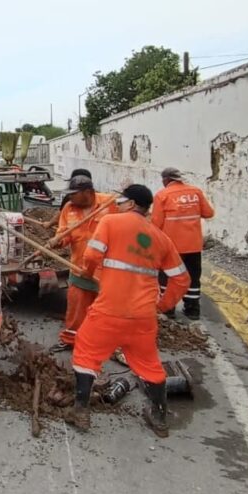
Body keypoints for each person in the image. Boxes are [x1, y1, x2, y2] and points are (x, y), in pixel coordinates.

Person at [65, 184, 190, 437]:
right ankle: (159, 417)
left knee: (86, 354)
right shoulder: (161, 238)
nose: (118, 205)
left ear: (132, 204)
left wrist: (88, 273)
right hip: (143, 317)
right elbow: (182, 279)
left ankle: (80, 411)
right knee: (150, 365)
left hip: (108, 311)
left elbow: (90, 256)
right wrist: (163, 305)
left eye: (121, 201)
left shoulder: (111, 222)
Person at [51, 175, 118, 348]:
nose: (70, 197)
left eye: (74, 193)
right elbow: (64, 232)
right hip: (79, 266)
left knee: (108, 309)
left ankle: (107, 343)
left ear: (88, 192)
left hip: (107, 269)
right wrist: (59, 240)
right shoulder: (68, 208)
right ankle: (70, 340)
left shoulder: (109, 203)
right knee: (76, 309)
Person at [151, 167, 215, 320]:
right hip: (193, 245)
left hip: (171, 246)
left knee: (168, 276)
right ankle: (193, 309)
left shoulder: (162, 195)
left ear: (166, 180)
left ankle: (168, 308)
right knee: (193, 275)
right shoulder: (196, 192)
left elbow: (156, 223)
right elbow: (209, 213)